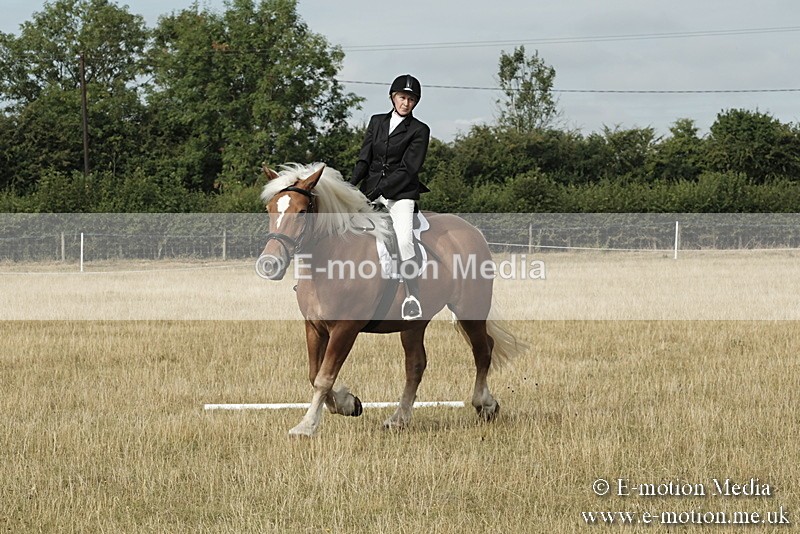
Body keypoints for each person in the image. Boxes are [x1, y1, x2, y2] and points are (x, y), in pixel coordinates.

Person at [350, 74, 430, 320]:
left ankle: (412, 295)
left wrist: (378, 191)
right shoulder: (376, 122)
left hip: (401, 194)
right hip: (370, 189)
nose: (406, 103)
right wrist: (350, 188)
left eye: (411, 99)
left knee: (404, 239)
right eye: (402, 97)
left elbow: (409, 169)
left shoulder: (419, 130)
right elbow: (365, 159)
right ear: (392, 97)